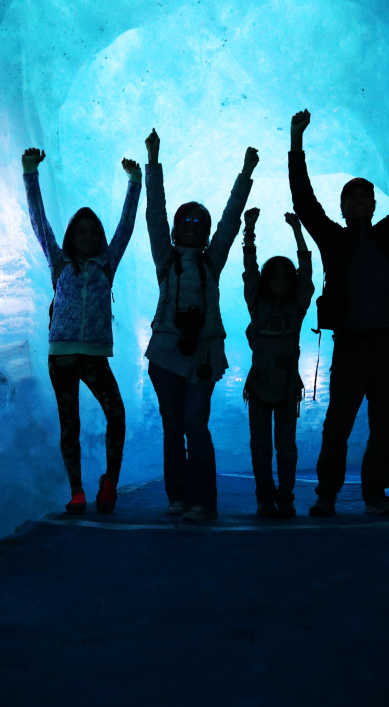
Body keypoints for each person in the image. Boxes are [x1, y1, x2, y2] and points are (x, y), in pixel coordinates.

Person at [288, 101, 389, 516]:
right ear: (343, 207)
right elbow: (304, 203)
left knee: (383, 425)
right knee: (339, 423)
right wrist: (296, 143)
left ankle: (374, 493)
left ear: (373, 206)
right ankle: (327, 494)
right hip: (352, 345)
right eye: (353, 197)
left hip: (388, 343)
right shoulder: (333, 239)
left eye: (366, 196)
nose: (361, 200)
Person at [143, 128, 258, 521]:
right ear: (176, 229)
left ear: (207, 232)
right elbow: (154, 214)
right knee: (174, 425)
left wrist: (245, 174)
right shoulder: (166, 259)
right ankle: (179, 497)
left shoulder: (213, 260)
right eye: (185, 219)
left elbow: (231, 219)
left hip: (204, 354)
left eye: (199, 220)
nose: (192, 224)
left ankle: (203, 501)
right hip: (165, 353)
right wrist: (153, 161)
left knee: (194, 423)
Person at [21, 147, 141, 514]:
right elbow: (39, 221)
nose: (87, 237)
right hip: (61, 357)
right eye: (81, 232)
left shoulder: (107, 264)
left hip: (93, 358)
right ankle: (76, 491)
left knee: (116, 415)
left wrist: (135, 182)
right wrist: (30, 173)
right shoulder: (59, 263)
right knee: (69, 425)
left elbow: (126, 225)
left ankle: (110, 482)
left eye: (93, 232)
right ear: (72, 236)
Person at [241, 208, 314, 517]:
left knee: (285, 447)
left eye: (287, 276)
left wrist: (298, 231)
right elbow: (250, 269)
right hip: (259, 385)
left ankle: (285, 496)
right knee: (260, 447)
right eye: (276, 276)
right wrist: (249, 232)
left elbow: (307, 271)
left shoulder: (297, 308)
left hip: (285, 387)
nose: (281, 281)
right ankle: (265, 497)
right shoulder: (256, 304)